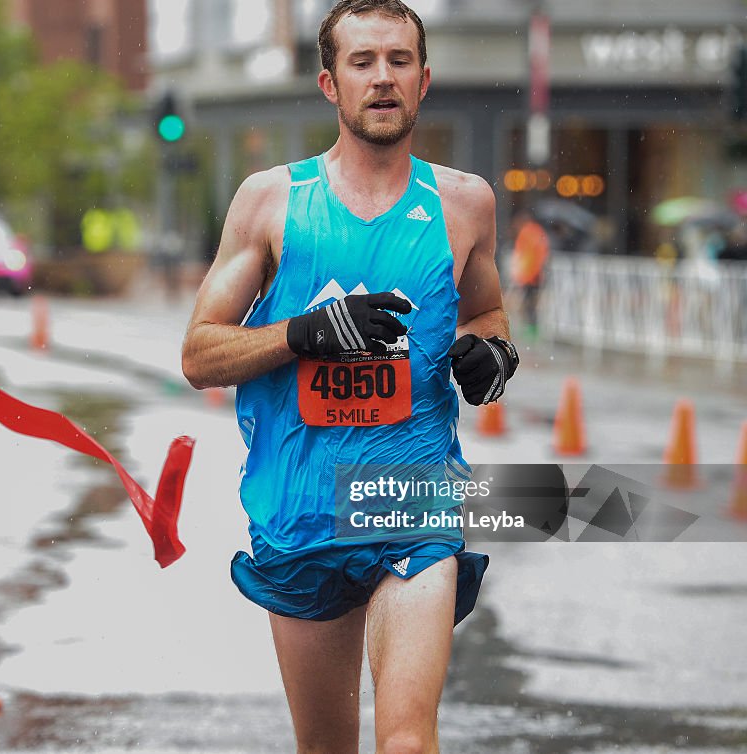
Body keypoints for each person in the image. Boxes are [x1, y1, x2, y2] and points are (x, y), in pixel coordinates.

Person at [181, 2, 518, 752]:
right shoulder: (272, 200)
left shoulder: (465, 202)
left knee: (406, 740)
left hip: (412, 498)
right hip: (300, 505)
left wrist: (491, 356)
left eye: (399, 60)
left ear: (424, 80)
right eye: (362, 62)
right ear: (330, 84)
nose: (383, 78)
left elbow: (486, 314)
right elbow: (201, 354)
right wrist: (306, 332)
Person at [510, 210, 550, 334]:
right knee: (532, 303)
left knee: (529, 304)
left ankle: (531, 330)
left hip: (530, 275)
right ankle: (532, 329)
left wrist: (522, 272)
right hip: (535, 273)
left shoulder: (527, 233)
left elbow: (524, 255)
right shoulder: (537, 232)